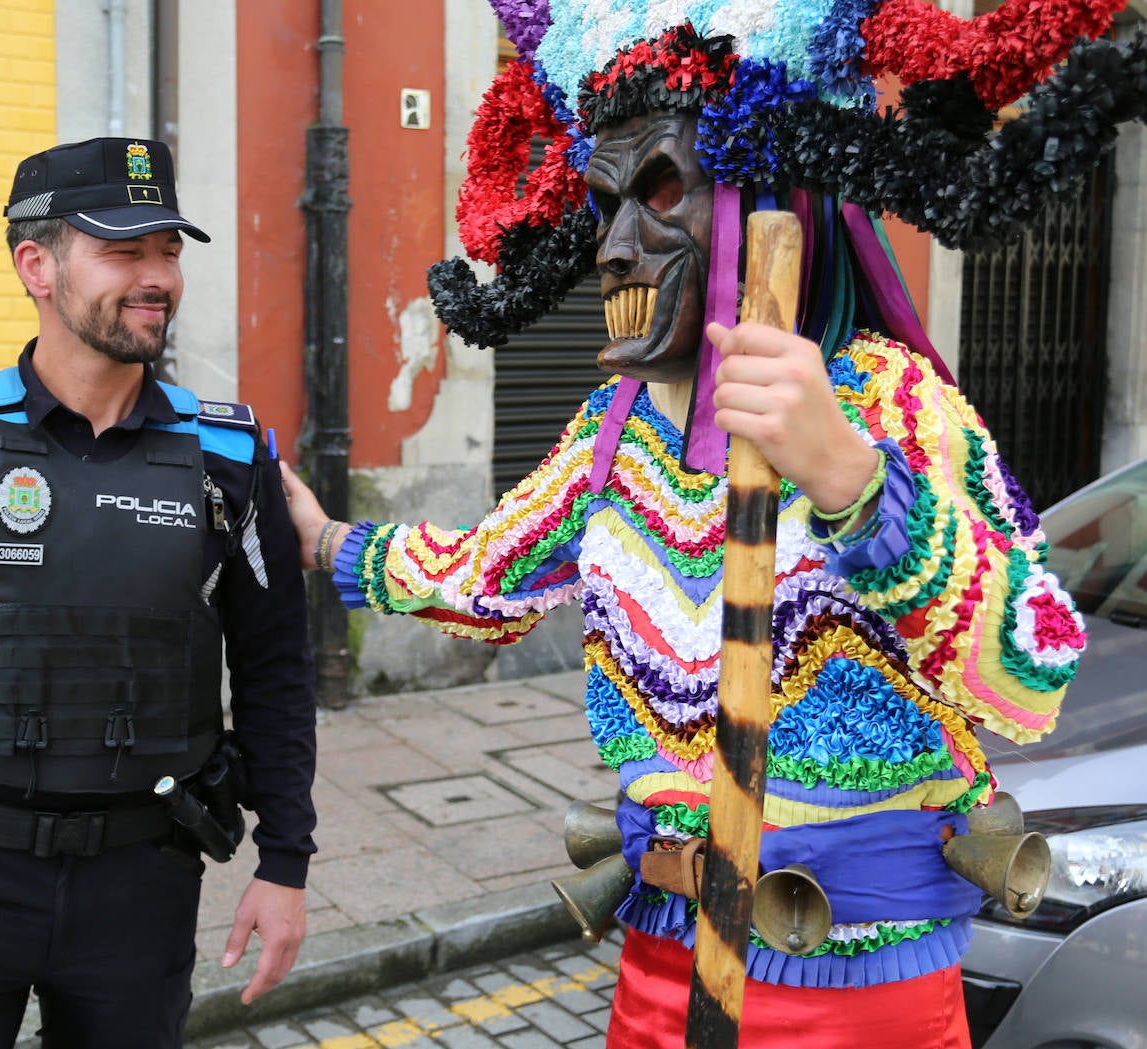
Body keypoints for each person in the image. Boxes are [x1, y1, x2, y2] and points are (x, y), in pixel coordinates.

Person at [277, 1, 1138, 1045]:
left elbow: (1029, 663)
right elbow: (481, 576)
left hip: (857, 989)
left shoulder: (888, 398)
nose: (620, 247)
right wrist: (329, 539)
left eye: (662, 192)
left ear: (763, 193)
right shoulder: (615, 428)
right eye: (603, 206)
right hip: (661, 962)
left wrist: (854, 480)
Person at [0, 137, 317, 1049]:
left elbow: (276, 666)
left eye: (169, 251)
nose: (158, 277)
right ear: (35, 265)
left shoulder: (231, 460)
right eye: (124, 250)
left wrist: (286, 862)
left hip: (145, 887)